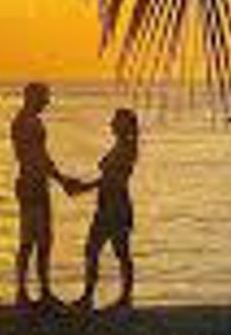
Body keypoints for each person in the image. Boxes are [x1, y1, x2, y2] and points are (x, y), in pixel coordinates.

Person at [10, 82, 76, 308]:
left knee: (43, 240)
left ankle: (43, 291)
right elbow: (35, 157)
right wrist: (61, 179)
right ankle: (23, 292)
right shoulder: (24, 122)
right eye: (44, 98)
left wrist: (60, 178)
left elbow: (43, 156)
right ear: (32, 97)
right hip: (31, 185)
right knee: (29, 241)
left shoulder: (33, 121)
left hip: (37, 183)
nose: (47, 102)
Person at [73, 108, 139, 311]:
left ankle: (120, 298)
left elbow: (113, 180)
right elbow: (108, 178)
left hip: (115, 206)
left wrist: (84, 187)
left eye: (116, 121)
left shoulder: (127, 148)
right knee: (101, 251)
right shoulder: (121, 146)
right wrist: (85, 187)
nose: (112, 123)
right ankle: (93, 296)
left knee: (109, 251)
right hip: (108, 205)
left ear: (125, 125)